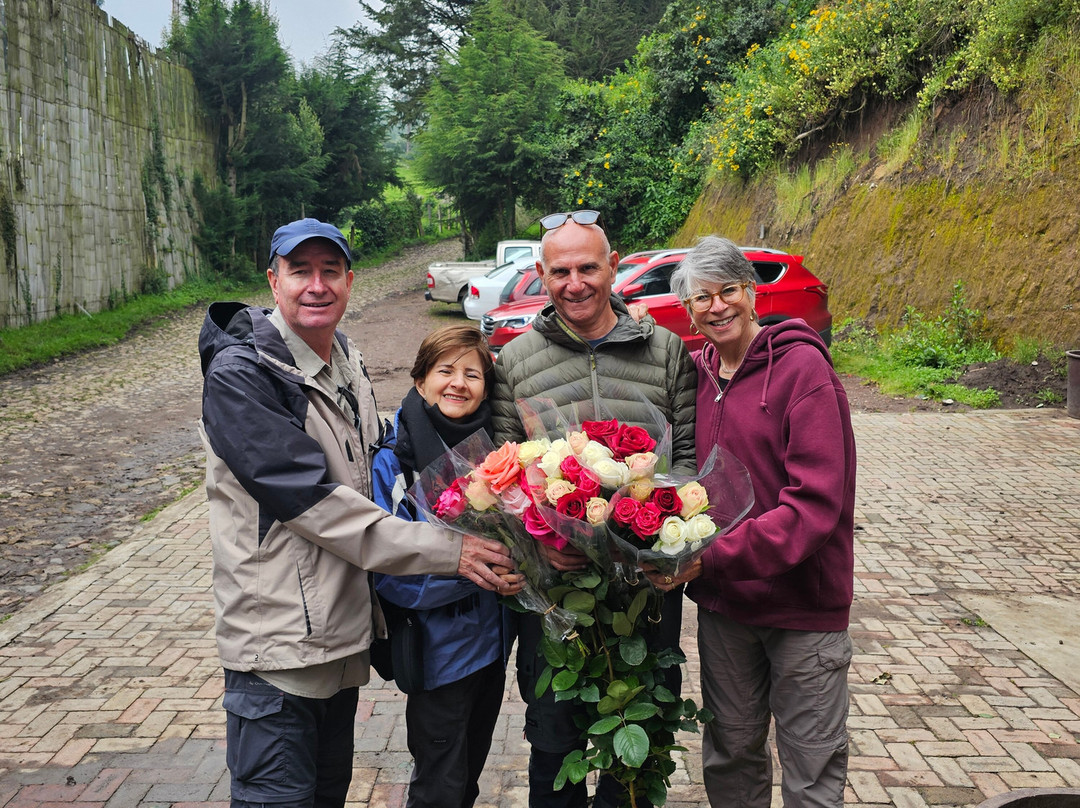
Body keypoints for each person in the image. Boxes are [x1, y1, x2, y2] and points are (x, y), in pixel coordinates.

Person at [198, 217, 515, 808]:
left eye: (330, 271)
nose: (316, 285)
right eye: (300, 272)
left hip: (339, 647)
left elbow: (376, 467)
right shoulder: (243, 376)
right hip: (279, 653)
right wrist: (454, 550)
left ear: (349, 281)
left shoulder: (345, 360)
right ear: (274, 282)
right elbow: (318, 506)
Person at [490, 209, 698, 808]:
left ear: (613, 267)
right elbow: (504, 476)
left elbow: (683, 459)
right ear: (541, 275)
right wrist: (539, 552)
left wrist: (671, 543)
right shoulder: (518, 358)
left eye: (587, 267)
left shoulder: (665, 352)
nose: (574, 283)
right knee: (554, 736)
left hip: (646, 588)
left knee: (640, 737)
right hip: (557, 591)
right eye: (560, 271)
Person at [649, 235, 856, 808]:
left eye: (728, 291)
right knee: (731, 757)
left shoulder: (802, 371)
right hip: (727, 609)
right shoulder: (697, 377)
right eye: (700, 299)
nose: (716, 307)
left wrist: (708, 558)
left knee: (812, 768)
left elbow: (814, 507)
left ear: (752, 291)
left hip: (802, 610)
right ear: (686, 309)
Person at [371, 324, 522, 808]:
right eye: (445, 371)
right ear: (420, 381)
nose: (459, 383)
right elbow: (387, 571)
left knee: (467, 778)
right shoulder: (396, 461)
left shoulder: (492, 451)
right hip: (439, 654)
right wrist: (474, 575)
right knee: (439, 784)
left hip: (490, 648)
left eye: (473, 374)